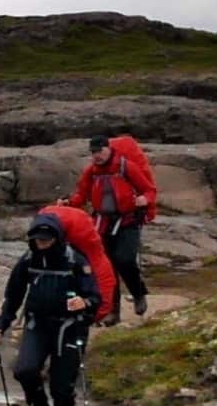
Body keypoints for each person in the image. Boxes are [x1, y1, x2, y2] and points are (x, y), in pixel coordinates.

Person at [0, 212, 106, 406]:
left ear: (58, 238)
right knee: (24, 370)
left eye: (46, 239)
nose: (41, 243)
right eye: (37, 239)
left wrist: (84, 302)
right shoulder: (28, 260)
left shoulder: (75, 260)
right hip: (37, 325)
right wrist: (0, 325)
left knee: (61, 387)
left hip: (70, 328)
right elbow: (13, 296)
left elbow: (95, 297)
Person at [62, 135, 157, 323]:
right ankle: (113, 311)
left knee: (125, 259)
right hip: (102, 223)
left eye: (99, 151)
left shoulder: (126, 167)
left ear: (108, 149)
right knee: (108, 267)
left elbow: (149, 190)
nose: (96, 155)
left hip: (128, 220)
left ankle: (138, 293)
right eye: (93, 152)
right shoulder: (91, 172)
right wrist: (69, 203)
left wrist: (145, 199)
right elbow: (82, 195)